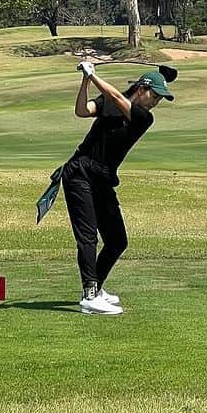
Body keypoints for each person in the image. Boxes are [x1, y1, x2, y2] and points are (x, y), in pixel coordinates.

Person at [61, 61, 175, 315]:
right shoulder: (110, 101)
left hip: (103, 179)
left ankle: (96, 287)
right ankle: (90, 296)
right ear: (142, 87)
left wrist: (93, 75)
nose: (155, 102)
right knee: (88, 236)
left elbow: (113, 95)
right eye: (154, 95)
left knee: (117, 240)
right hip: (79, 173)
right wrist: (85, 80)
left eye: (159, 99)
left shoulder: (144, 117)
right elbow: (82, 110)